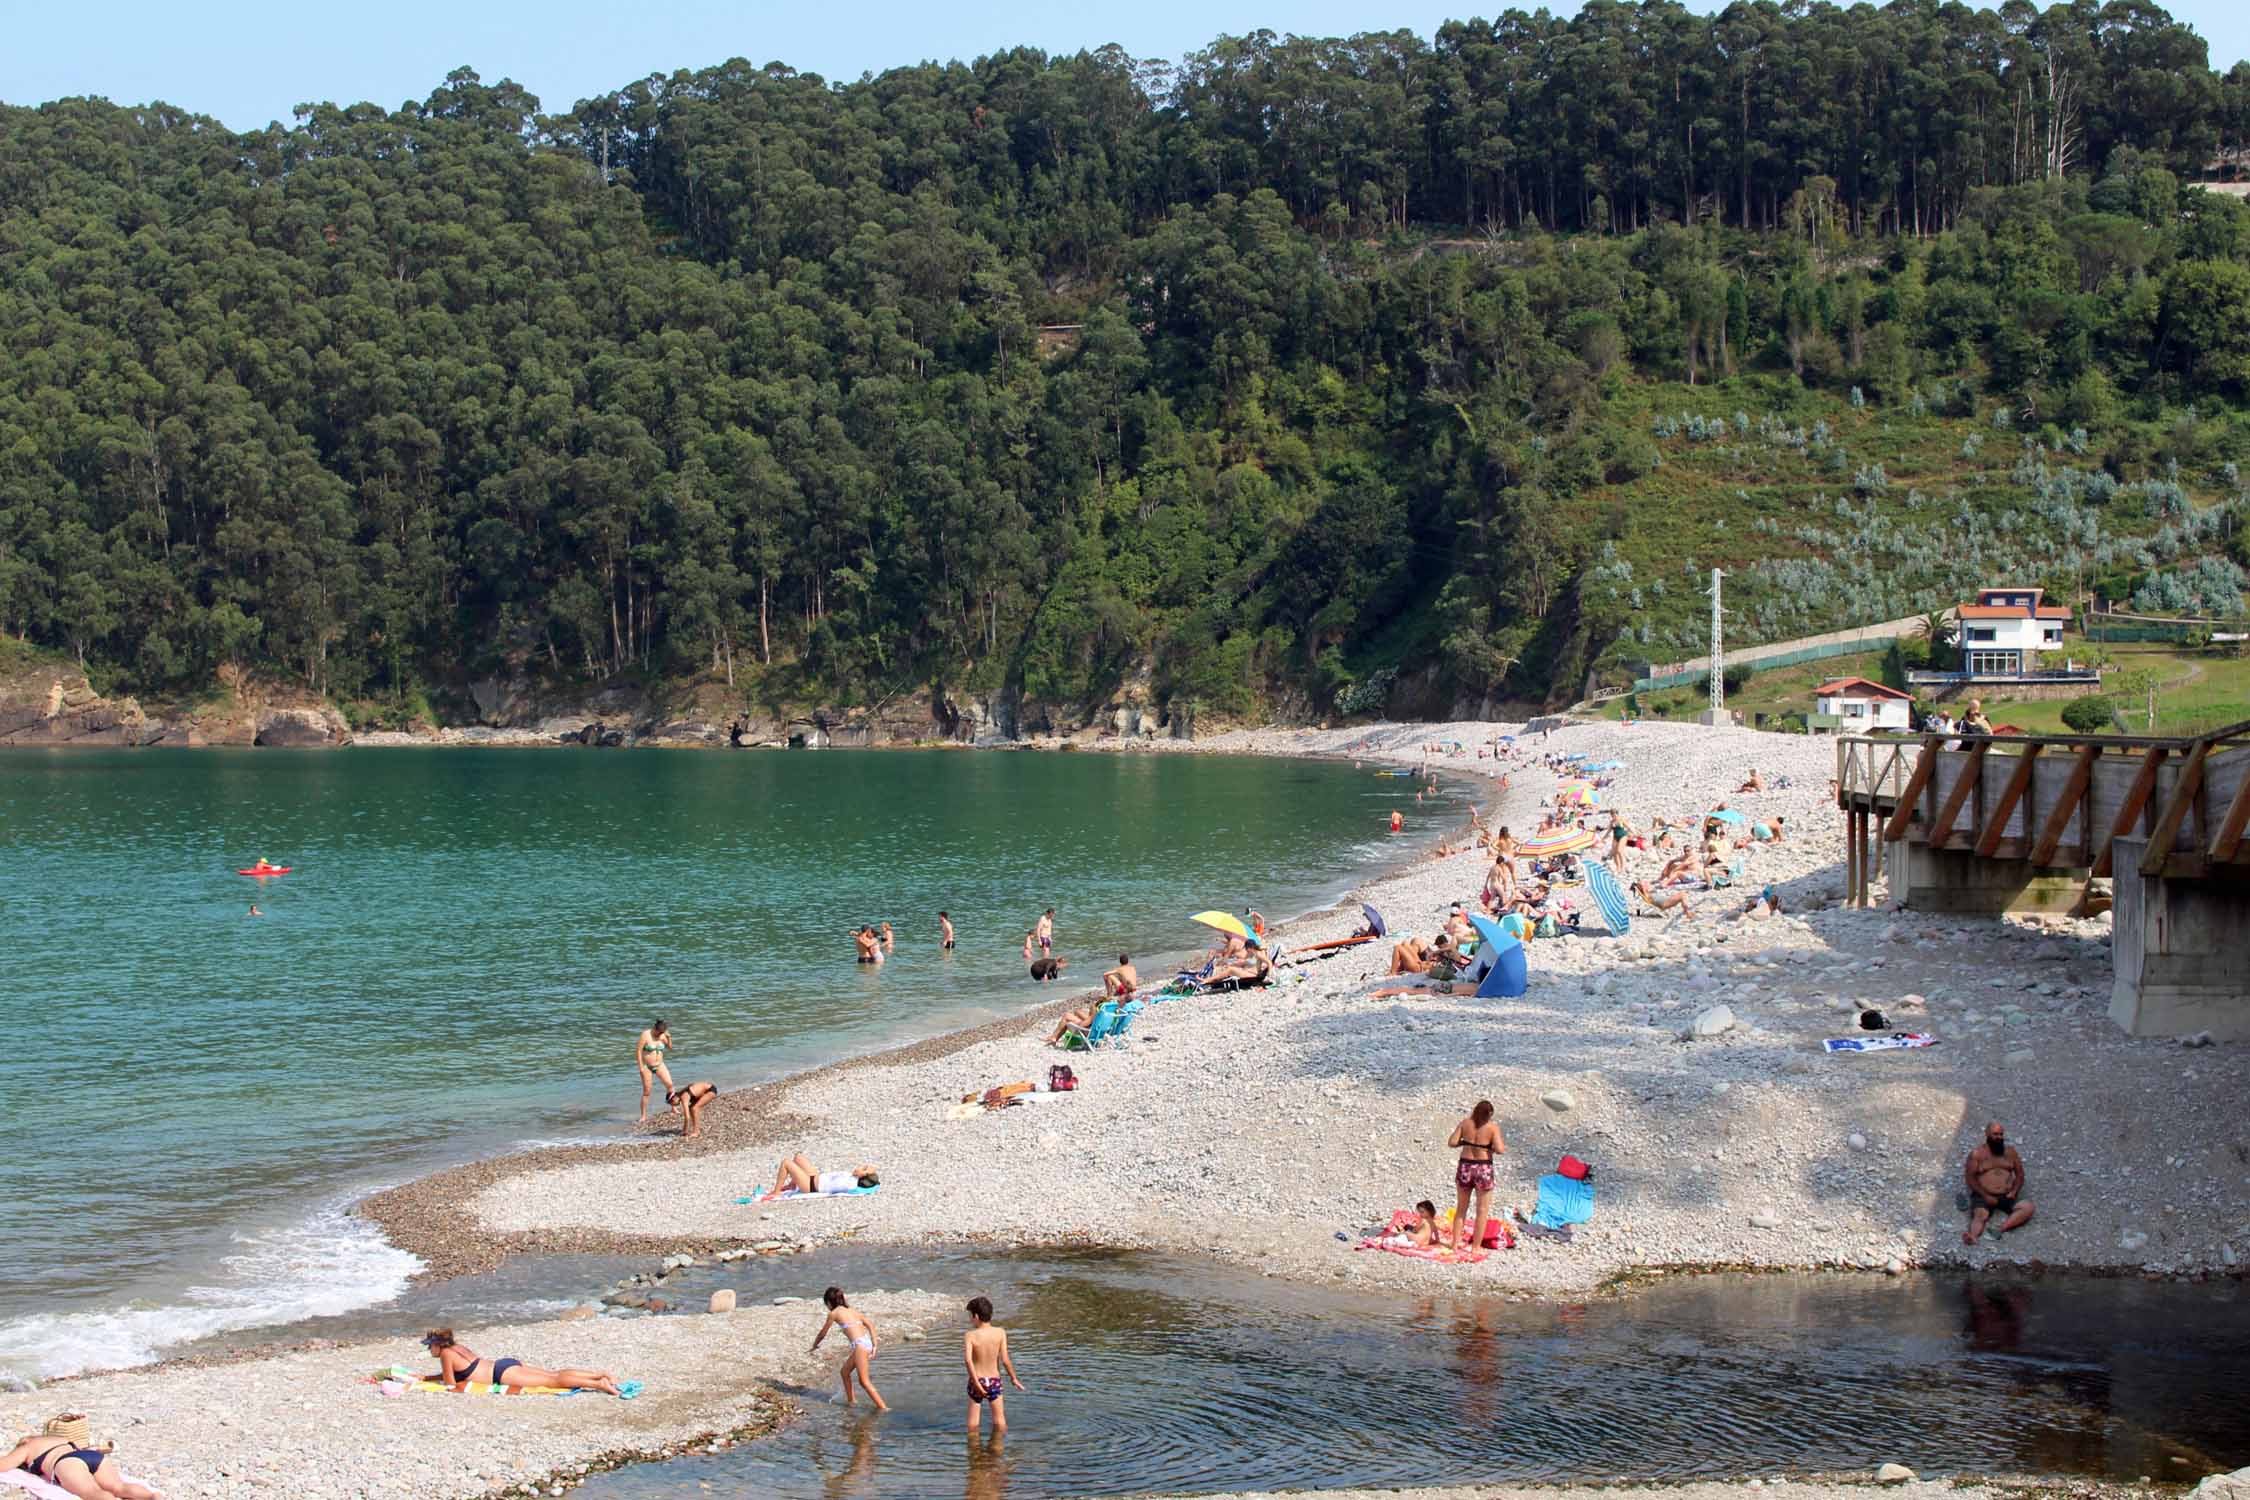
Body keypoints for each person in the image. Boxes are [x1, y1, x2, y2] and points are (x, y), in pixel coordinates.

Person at [420, 1328, 624, 1396]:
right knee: (553, 1375)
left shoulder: (446, 1354)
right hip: (503, 1366)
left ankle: (598, 1384)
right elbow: (460, 1372)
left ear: (438, 1345)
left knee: (554, 1381)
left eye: (430, 1346)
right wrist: (427, 1377)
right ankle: (598, 1375)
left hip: (500, 1375)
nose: (430, 1350)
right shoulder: (456, 1347)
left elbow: (450, 1383)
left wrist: (428, 1384)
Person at [3, 1426, 160, 1500]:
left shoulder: (28, 1446)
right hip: (88, 1455)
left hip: (67, 1463)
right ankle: (152, 1496)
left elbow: (4, 1465)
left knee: (91, 1492)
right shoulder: (59, 1439)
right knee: (119, 1486)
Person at [812, 1287, 889, 1411]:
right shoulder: (852, 1311)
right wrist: (874, 1345)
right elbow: (870, 1325)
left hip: (860, 1346)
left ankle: (884, 1408)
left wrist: (814, 1345)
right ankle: (852, 1401)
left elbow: (822, 1333)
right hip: (866, 1343)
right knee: (844, 1372)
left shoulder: (834, 1313)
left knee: (864, 1381)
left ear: (829, 1302)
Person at [1447, 1101, 1505, 1254]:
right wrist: (1488, 1146)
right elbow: (1500, 1149)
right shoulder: (1492, 1127)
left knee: (1461, 1209)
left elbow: (1452, 1142)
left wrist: (1464, 1143)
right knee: (1482, 1210)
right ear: (1490, 1114)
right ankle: (1475, 1247)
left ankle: (1454, 1245)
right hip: (1483, 1167)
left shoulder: (1465, 1123)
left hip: (1465, 1166)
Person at [1963, 1122, 2033, 1244]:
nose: (1999, 1137)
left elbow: (2020, 1175)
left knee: (2028, 1207)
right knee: (1980, 1215)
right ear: (1987, 1134)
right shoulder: (1977, 1154)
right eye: (1995, 1134)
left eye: (2001, 1134)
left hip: (2007, 1194)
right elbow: (1970, 1178)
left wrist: (2014, 1191)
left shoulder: (2011, 1152)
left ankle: (2001, 1229)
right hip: (1984, 1194)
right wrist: (1985, 1195)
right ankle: (1973, 1236)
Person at [963, 1296, 1025, 1434]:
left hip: (976, 1380)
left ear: (976, 1316)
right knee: (1000, 1421)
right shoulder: (1000, 1332)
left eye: (970, 1316)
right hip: (994, 1381)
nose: (969, 1320)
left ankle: (974, 1452)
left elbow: (968, 1361)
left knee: (972, 1424)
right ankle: (997, 1451)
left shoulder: (970, 1335)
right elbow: (1005, 1359)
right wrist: (1014, 1379)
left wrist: (976, 1383)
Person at [764, 1154, 879, 1199]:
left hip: (810, 1186)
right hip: (815, 1177)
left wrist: (865, 1172)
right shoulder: (853, 1178)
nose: (861, 1167)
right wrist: (867, 1171)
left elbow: (868, 1171)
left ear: (862, 1175)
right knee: (798, 1157)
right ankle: (792, 1185)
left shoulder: (850, 1184)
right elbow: (872, 1170)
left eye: (863, 1169)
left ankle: (776, 1191)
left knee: (786, 1163)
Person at [636, 1020, 676, 1125]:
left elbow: (670, 1048)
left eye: (662, 1033)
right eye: (658, 1032)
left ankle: (673, 1108)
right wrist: (640, 1067)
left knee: (670, 1085)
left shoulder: (663, 1036)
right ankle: (643, 1116)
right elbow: (639, 1051)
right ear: (655, 1028)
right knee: (647, 1092)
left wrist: (669, 1037)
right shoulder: (645, 1035)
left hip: (660, 1064)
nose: (660, 1034)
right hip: (647, 1066)